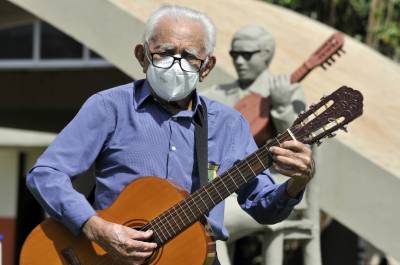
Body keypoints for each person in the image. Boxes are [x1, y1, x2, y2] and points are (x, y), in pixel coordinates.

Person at [26, 5, 314, 265]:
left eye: (189, 56)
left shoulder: (228, 125)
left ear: (206, 67)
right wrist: (95, 227)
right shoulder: (109, 107)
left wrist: (296, 182)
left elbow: (264, 210)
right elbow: (46, 173)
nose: (176, 64)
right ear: (142, 56)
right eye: (164, 52)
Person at [200, 25, 309, 264]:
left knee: (205, 221)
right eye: (234, 54)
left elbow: (301, 146)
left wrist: (281, 108)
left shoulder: (287, 90)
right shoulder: (217, 93)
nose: (239, 60)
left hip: (273, 190)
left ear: (267, 53)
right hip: (218, 186)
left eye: (247, 54)